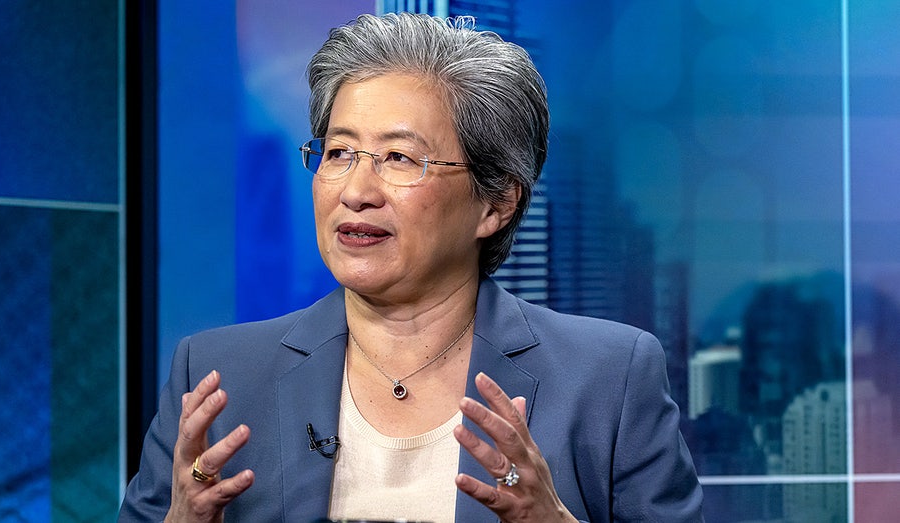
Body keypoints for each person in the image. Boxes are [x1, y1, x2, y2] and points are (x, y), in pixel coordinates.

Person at [120, 12, 703, 523]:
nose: (356, 190)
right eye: (339, 152)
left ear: (496, 202)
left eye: (398, 157)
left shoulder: (609, 378)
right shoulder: (216, 376)